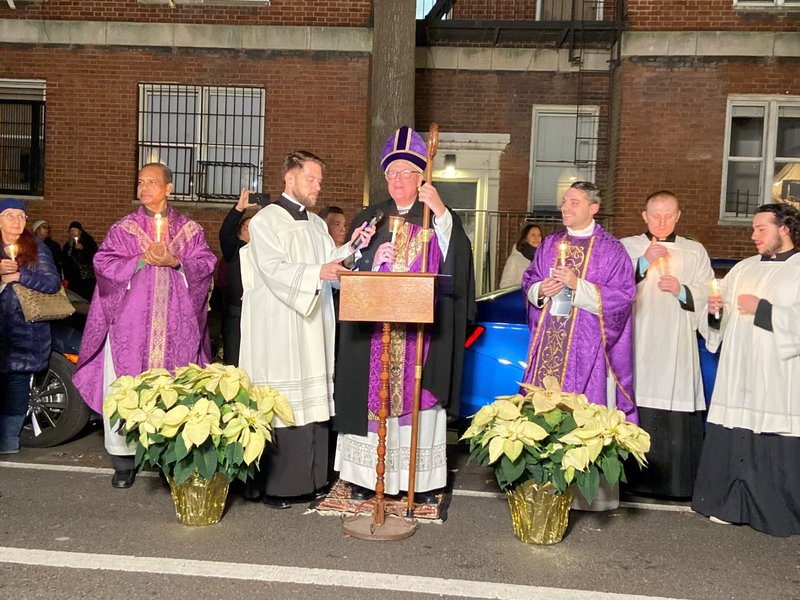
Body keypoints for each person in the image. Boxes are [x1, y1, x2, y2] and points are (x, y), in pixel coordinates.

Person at [334, 126, 476, 502]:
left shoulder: (436, 216)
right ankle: (368, 478)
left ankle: (421, 481)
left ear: (420, 178)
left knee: (418, 400)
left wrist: (442, 212)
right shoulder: (371, 217)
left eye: (406, 173)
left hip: (420, 336)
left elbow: (457, 262)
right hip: (374, 334)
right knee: (372, 402)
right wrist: (367, 260)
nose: (397, 180)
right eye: (391, 174)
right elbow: (347, 265)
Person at [238, 151, 375, 509]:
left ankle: (314, 479)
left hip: (311, 324)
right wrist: (319, 273)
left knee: (312, 404)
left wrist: (354, 245)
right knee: (285, 402)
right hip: (279, 325)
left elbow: (329, 263)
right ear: (290, 179)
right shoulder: (266, 221)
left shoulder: (315, 224)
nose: (317, 186)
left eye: (319, 180)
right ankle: (277, 487)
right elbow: (272, 269)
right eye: (311, 179)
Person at [72, 163, 216, 489]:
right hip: (130, 328)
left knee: (175, 388)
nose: (143, 188)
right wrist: (138, 260)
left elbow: (207, 263)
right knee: (124, 386)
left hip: (175, 329)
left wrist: (175, 261)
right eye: (140, 182)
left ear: (168, 188)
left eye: (151, 182)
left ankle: (171, 458)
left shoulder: (189, 230)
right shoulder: (124, 229)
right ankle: (124, 461)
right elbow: (103, 262)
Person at [692, 203, 800, 537]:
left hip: (776, 374)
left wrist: (763, 309)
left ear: (784, 229)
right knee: (733, 429)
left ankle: (773, 512)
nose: (753, 236)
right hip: (738, 369)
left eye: (760, 229)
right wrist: (714, 312)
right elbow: (716, 323)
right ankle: (729, 504)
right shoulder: (743, 268)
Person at [620, 191, 714, 498]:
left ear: (678, 216)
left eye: (668, 215)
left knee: (675, 398)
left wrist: (682, 290)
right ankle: (631, 481)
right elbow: (611, 287)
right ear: (644, 216)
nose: (661, 222)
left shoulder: (694, 251)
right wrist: (643, 263)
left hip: (676, 346)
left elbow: (708, 292)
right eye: (655, 215)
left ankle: (676, 484)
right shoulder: (628, 247)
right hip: (639, 342)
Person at [0, 198, 61, 454]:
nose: (17, 221)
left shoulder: (36, 247)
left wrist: (18, 275)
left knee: (16, 385)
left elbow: (52, 283)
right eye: (10, 215)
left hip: (24, 330)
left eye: (21, 216)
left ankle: (8, 440)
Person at [218, 190, 257, 367]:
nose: (253, 231)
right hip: (237, 313)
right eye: (248, 227)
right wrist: (239, 208)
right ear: (240, 232)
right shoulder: (234, 249)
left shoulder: (264, 253)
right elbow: (225, 233)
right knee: (234, 362)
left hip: (258, 313)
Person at [62, 221, 98, 301]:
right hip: (73, 279)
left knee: (85, 299)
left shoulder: (88, 242)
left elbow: (94, 256)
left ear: (80, 231)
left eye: (75, 230)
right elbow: (64, 260)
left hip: (86, 279)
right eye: (71, 230)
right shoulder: (68, 245)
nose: (73, 232)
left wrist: (83, 249)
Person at [499, 223, 542, 288]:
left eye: (539, 235)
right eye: (533, 235)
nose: (537, 238)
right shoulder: (515, 259)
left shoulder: (542, 258)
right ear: (526, 238)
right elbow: (505, 285)